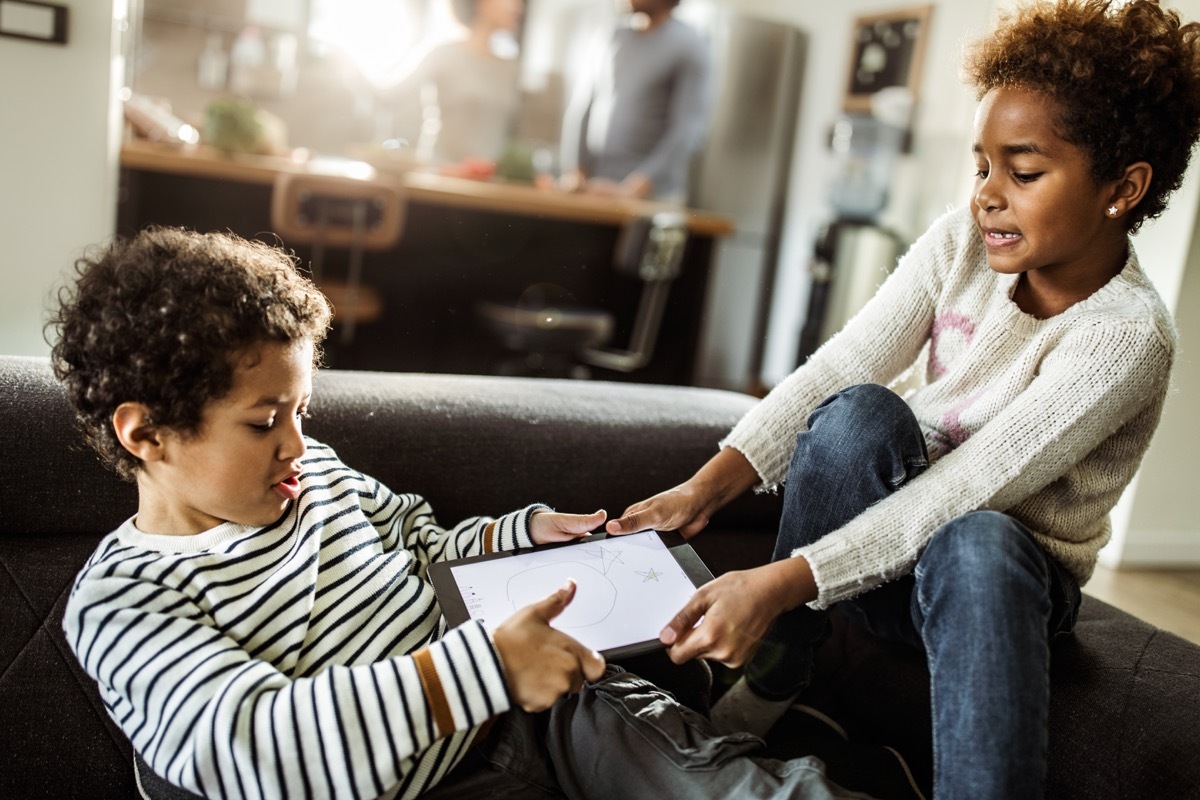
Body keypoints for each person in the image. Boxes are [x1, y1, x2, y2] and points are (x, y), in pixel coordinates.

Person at [51, 227, 899, 799]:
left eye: (302, 412)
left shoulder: (317, 478)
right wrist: (477, 671)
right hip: (426, 762)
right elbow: (247, 746)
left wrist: (521, 534)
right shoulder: (124, 601)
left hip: (529, 705)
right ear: (147, 433)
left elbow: (421, 546)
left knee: (697, 768)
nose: (297, 445)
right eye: (264, 422)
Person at [603, 1, 1200, 797]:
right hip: (883, 566)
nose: (989, 194)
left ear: (1122, 188)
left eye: (1022, 173)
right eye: (982, 166)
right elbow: (844, 362)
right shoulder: (960, 240)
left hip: (1001, 588)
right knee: (859, 413)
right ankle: (782, 675)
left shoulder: (1124, 338)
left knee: (979, 537)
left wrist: (778, 582)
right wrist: (703, 487)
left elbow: (967, 489)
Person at [559, 0, 712, 202]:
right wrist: (576, 170)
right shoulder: (610, 37)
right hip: (595, 187)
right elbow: (582, 108)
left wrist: (635, 187)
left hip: (651, 195)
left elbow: (688, 129)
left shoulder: (690, 45)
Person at [384, 0, 524, 167]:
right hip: (440, 179)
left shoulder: (510, 69)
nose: (518, 7)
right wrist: (348, 65)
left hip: (487, 184)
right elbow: (388, 97)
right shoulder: (443, 54)